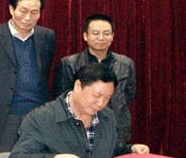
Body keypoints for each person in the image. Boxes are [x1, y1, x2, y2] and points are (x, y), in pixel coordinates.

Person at [8, 63, 149, 158]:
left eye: (107, 98)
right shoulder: (42, 118)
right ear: (78, 86)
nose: (101, 103)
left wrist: (130, 151)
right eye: (96, 96)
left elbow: (111, 152)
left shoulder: (107, 116)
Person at [0, 0, 55, 158]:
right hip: (3, 114)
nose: (28, 17)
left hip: (38, 112)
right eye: (23, 11)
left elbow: (46, 71)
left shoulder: (47, 36)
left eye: (34, 12)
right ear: (11, 9)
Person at [53, 14, 136, 145]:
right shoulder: (69, 64)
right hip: (79, 126)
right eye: (96, 33)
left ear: (112, 36)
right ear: (85, 36)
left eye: (106, 33)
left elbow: (128, 95)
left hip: (116, 126)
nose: (101, 38)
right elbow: (62, 98)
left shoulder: (125, 64)